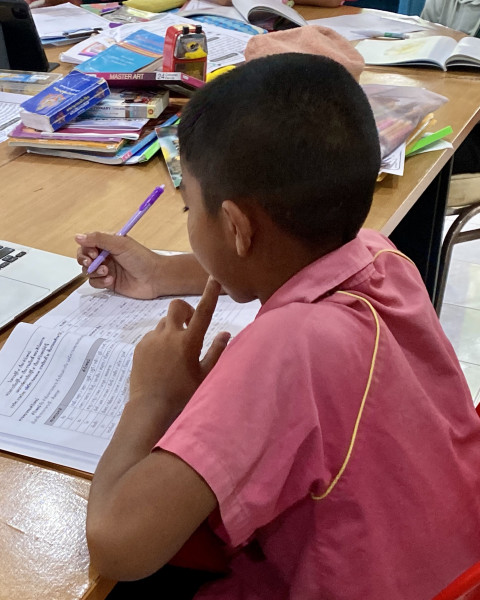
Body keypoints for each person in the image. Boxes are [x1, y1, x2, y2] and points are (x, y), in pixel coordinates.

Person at [77, 53, 480, 599]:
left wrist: (153, 397)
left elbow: (116, 546)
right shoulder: (383, 258)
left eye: (189, 209)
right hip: (449, 562)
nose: (189, 221)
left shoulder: (290, 347)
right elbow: (281, 260)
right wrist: (161, 273)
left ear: (237, 227)